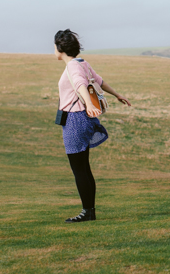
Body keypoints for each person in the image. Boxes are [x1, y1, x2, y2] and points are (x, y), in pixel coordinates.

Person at [54, 29, 131, 223]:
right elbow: (99, 81)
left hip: (75, 119)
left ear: (60, 48)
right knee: (84, 167)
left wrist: (88, 104)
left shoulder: (72, 67)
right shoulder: (82, 63)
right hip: (83, 119)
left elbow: (81, 85)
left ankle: (87, 211)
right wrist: (117, 94)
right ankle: (89, 210)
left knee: (79, 168)